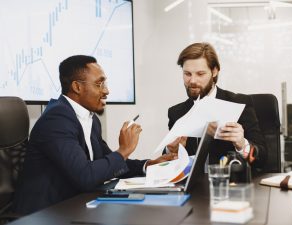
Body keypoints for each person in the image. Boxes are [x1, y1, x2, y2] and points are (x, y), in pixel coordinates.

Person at [13, 55, 176, 215]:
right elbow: (85, 177)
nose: (106, 90)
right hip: (47, 213)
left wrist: (148, 165)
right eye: (99, 84)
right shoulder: (57, 119)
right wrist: (124, 150)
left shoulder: (91, 119)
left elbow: (105, 162)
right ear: (77, 87)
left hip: (75, 204)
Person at [166, 42, 267, 171]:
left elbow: (263, 159)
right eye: (187, 74)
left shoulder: (239, 104)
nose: (192, 81)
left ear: (214, 71)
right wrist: (171, 150)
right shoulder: (176, 112)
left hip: (229, 186)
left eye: (200, 74)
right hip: (193, 188)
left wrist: (242, 144)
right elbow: (167, 165)